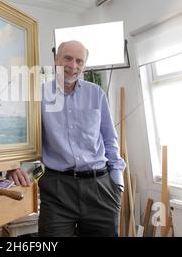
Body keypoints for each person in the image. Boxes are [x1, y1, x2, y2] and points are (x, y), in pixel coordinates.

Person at [7, 40, 126, 237]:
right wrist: (14, 165)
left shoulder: (96, 93)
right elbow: (24, 141)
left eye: (79, 61)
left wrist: (117, 182)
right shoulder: (39, 96)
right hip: (57, 191)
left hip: (100, 188)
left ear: (84, 66)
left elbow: (109, 139)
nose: (73, 66)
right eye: (68, 58)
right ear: (55, 60)